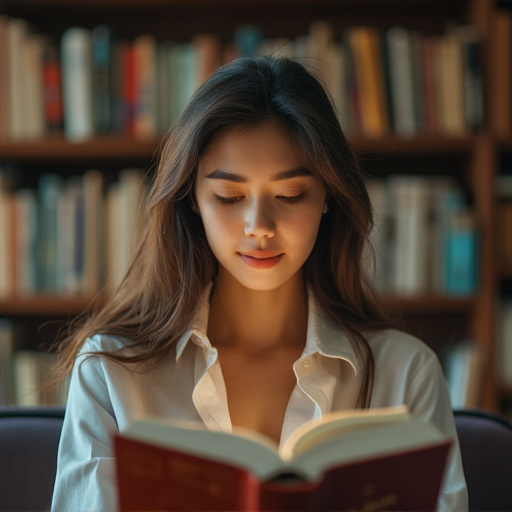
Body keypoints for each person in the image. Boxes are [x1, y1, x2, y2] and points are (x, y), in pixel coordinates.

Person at [51, 55, 467, 511]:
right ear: (191, 198)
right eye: (229, 197)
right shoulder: (112, 371)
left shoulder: (405, 375)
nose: (259, 226)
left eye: (290, 195)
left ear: (327, 195)